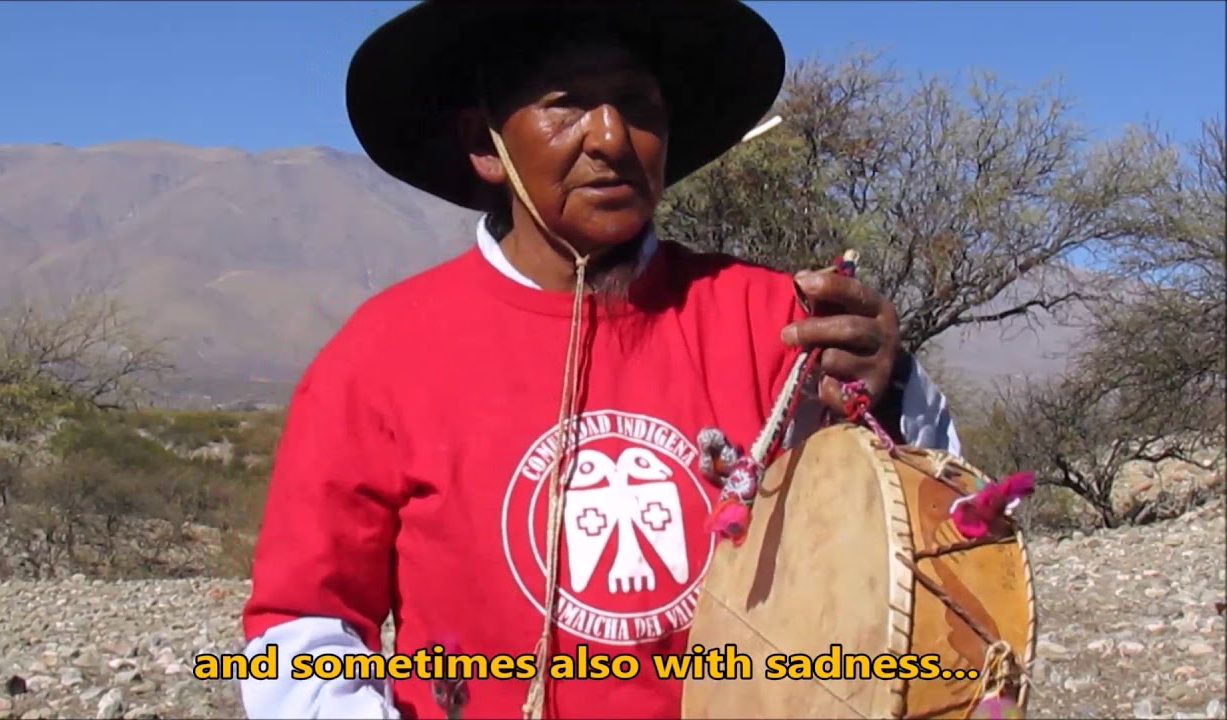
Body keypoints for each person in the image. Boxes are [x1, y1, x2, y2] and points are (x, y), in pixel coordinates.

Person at [239, 1, 962, 718]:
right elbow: (299, 628)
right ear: (485, 144)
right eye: (568, 106)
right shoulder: (382, 354)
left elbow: (937, 543)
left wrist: (890, 396)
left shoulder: (777, 323)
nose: (611, 137)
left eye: (636, 103)